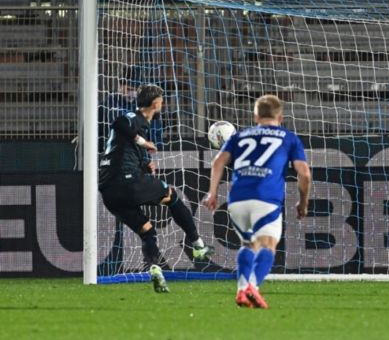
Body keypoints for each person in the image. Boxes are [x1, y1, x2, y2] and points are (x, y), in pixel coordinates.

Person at [98, 83, 214, 293]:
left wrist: (145, 162)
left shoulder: (140, 125)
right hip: (126, 182)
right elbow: (118, 124)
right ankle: (197, 245)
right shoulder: (133, 118)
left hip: (109, 192)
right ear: (155, 103)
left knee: (147, 231)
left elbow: (123, 150)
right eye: (161, 99)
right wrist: (144, 142)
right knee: (172, 196)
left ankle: (154, 269)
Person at [202, 94, 311, 309]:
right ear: (281, 117)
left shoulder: (239, 136)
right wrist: (303, 202)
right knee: (268, 245)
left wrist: (212, 193)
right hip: (266, 198)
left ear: (255, 116)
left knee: (248, 244)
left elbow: (217, 162)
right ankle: (252, 286)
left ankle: (242, 290)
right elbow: (304, 174)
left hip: (236, 200)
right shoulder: (288, 137)